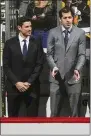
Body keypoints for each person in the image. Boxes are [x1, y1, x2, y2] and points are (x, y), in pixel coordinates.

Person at [46, 6, 86, 117]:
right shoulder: (52, 33)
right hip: (56, 77)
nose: (68, 20)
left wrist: (77, 69)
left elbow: (82, 55)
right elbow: (49, 54)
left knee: (75, 113)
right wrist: (53, 67)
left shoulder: (80, 33)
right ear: (60, 19)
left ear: (73, 18)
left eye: (70, 17)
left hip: (73, 76)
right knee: (54, 113)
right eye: (65, 18)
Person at [3, 16, 44, 117]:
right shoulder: (9, 43)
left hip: (32, 87)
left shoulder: (37, 42)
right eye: (26, 27)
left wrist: (29, 82)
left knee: (32, 120)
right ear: (19, 28)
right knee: (12, 119)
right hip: (14, 87)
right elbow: (6, 66)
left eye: (30, 26)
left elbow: (39, 64)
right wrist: (17, 82)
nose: (30, 29)